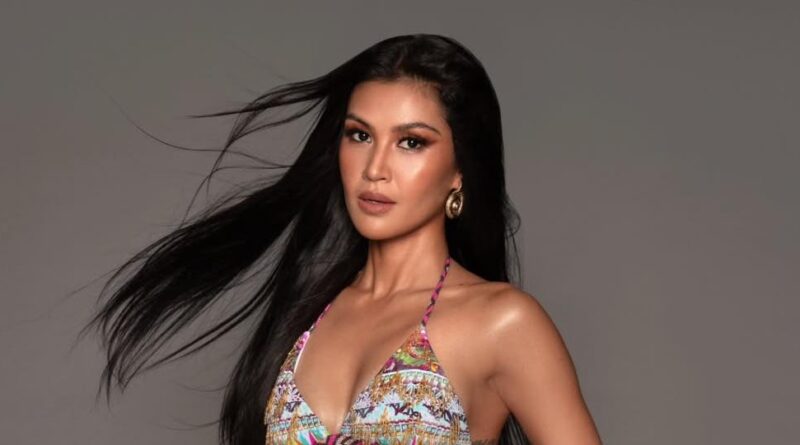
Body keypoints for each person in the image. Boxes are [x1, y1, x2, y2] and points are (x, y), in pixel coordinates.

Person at [85, 34, 602, 445]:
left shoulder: (503, 323)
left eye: (411, 142)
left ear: (459, 170)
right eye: (360, 135)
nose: (375, 168)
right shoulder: (308, 314)